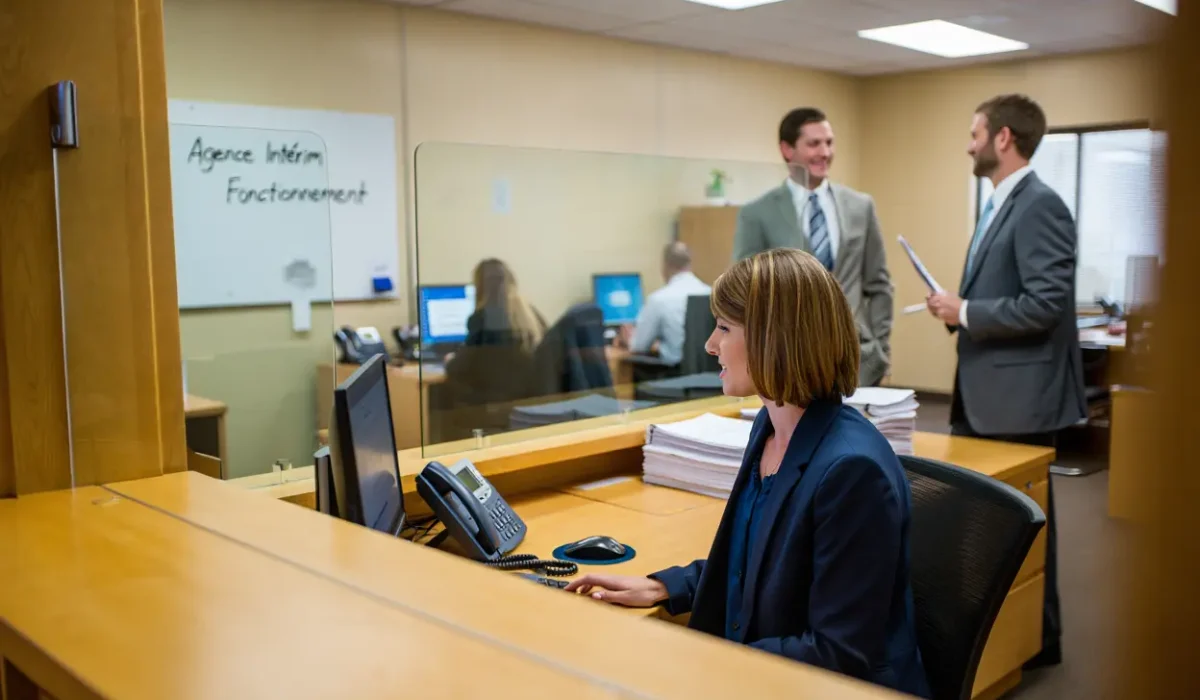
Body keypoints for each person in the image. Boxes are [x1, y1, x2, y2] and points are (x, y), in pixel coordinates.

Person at [566, 249, 930, 698]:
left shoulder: (851, 472)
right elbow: (756, 564)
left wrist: (707, 666)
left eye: (723, 328)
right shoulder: (771, 427)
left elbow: (839, 655)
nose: (710, 345)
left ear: (773, 338)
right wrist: (663, 585)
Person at [926, 93, 1082, 669]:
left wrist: (965, 312)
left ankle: (1038, 641)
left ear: (1003, 138)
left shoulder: (1040, 206)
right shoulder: (998, 205)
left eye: (975, 132)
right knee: (991, 522)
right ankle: (1003, 637)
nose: (969, 144)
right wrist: (957, 310)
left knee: (1025, 524)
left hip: (1019, 402)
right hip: (986, 394)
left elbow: (1044, 304)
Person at [731, 107, 893, 386]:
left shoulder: (860, 206)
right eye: (813, 143)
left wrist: (881, 350)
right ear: (787, 149)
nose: (825, 152)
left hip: (857, 360)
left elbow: (878, 285)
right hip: (787, 361)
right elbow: (744, 292)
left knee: (855, 431)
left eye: (829, 142)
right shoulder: (757, 213)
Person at [442, 259, 546, 427]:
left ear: (480, 288)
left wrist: (450, 360)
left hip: (491, 410)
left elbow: (459, 367)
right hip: (528, 409)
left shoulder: (483, 318)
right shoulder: (531, 314)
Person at [618, 241, 711, 365]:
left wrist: (627, 338)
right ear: (690, 264)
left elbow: (639, 347)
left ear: (666, 266)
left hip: (672, 374)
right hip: (711, 375)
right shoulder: (711, 293)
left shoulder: (659, 299)